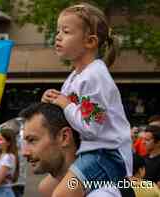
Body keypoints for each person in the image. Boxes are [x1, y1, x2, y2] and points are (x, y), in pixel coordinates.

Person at [41, 3, 132, 196]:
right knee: (44, 188)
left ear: (90, 42)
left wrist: (65, 103)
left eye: (66, 31)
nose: (58, 36)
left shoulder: (96, 76)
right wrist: (51, 102)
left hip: (108, 156)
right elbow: (66, 115)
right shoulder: (75, 76)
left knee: (61, 194)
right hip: (90, 153)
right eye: (58, 31)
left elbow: (91, 128)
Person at [20, 103, 129, 197]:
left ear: (64, 137)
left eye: (32, 140)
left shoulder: (102, 194)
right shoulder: (49, 189)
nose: (25, 152)